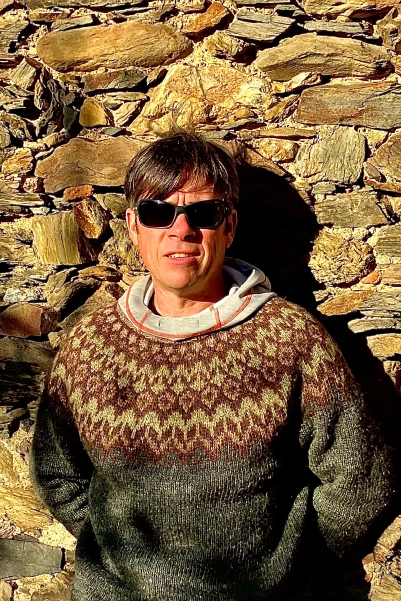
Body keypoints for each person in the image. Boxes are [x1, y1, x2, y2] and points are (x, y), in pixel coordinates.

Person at [30, 131, 397, 601]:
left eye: (203, 213)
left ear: (229, 227)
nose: (181, 230)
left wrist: (286, 568)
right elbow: (57, 472)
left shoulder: (290, 340)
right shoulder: (90, 346)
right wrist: (119, 560)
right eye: (158, 212)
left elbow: (359, 482)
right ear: (133, 226)